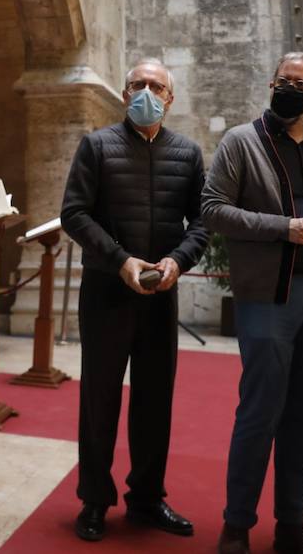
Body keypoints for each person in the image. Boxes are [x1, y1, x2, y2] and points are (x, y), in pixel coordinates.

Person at [202, 52, 303, 554]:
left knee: (302, 415)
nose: (286, 88)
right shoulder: (241, 142)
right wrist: (283, 229)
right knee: (260, 411)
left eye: (299, 84)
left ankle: (291, 522)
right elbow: (212, 209)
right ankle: (236, 525)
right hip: (271, 295)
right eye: (281, 81)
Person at [60, 58, 209, 543]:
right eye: (138, 84)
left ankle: (146, 499)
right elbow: (75, 214)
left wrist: (177, 262)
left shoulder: (187, 154)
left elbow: (202, 222)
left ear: (170, 97)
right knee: (99, 399)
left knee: (154, 399)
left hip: (159, 294)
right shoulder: (97, 146)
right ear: (125, 95)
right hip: (106, 290)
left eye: (157, 86)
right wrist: (121, 261)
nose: (147, 91)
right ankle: (94, 500)